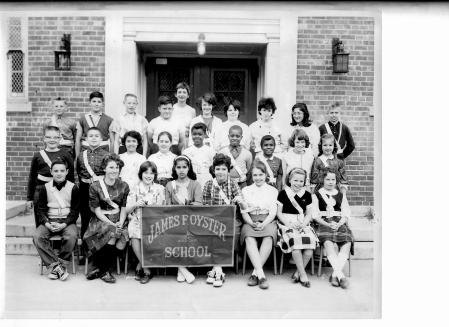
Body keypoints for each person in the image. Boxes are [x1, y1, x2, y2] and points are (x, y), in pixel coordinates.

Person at [83, 154, 130, 284]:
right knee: (112, 232)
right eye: (111, 167)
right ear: (104, 168)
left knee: (121, 234)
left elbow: (123, 208)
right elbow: (97, 211)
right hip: (101, 219)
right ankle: (105, 271)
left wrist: (120, 221)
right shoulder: (95, 186)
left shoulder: (124, 186)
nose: (114, 170)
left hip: (119, 217)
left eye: (117, 167)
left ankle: (99, 268)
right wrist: (111, 223)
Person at [33, 158, 80, 281]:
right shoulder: (45, 188)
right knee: (38, 237)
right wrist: (47, 224)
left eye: (62, 170)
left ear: (67, 172)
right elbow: (41, 210)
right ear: (51, 172)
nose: (59, 173)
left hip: (66, 221)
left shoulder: (73, 188)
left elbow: (75, 211)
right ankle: (57, 266)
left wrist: (64, 224)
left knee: (71, 236)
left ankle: (60, 265)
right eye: (56, 171)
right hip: (50, 220)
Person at [202, 153, 244, 287]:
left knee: (228, 232)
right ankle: (219, 270)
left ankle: (215, 269)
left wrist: (240, 201)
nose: (220, 172)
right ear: (213, 170)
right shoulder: (209, 184)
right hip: (213, 219)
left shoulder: (233, 184)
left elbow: (243, 205)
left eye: (223, 169)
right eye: (218, 169)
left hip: (231, 219)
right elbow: (206, 206)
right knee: (213, 231)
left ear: (228, 170)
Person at [312, 167, 354, 289]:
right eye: (328, 179)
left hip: (339, 222)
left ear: (336, 181)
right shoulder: (317, 195)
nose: (330, 182)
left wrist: (339, 223)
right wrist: (328, 224)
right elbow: (315, 215)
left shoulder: (341, 195)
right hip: (323, 223)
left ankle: (335, 274)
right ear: (323, 180)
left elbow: (346, 213)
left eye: (333, 179)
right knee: (328, 241)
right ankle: (341, 276)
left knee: (347, 240)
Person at [276, 168, 318, 288]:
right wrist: (289, 223)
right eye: (295, 180)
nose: (298, 183)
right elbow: (279, 213)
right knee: (296, 245)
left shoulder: (307, 195)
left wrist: (304, 224)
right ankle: (303, 275)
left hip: (302, 223)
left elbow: (309, 214)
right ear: (290, 180)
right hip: (287, 224)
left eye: (301, 181)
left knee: (310, 246)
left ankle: (297, 272)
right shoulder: (283, 193)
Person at [240, 161, 278, 290]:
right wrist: (251, 223)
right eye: (255, 175)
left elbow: (273, 212)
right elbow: (244, 211)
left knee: (268, 237)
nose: (258, 178)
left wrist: (264, 224)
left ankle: (255, 274)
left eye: (261, 174)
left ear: (266, 174)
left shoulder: (273, 190)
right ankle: (262, 276)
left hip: (267, 220)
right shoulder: (245, 190)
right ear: (251, 175)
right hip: (250, 219)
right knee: (249, 238)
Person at [165, 155, 203, 284]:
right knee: (173, 233)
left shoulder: (195, 184)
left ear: (189, 168)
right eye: (178, 167)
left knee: (187, 234)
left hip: (192, 220)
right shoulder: (170, 185)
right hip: (174, 220)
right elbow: (167, 205)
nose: (181, 170)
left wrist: (187, 207)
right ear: (174, 169)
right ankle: (182, 269)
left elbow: (199, 203)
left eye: (184, 167)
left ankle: (180, 270)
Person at [27, 126, 74, 227]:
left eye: (55, 137)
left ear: (59, 139)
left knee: (61, 220)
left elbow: (70, 177)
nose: (52, 140)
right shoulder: (38, 156)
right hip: (41, 191)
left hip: (61, 191)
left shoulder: (66, 155)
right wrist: (29, 198)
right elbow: (32, 177)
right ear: (44, 138)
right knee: (41, 222)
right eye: (48, 137)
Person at [126, 161, 165, 284]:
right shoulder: (135, 188)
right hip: (137, 219)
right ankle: (146, 268)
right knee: (134, 231)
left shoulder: (160, 188)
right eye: (145, 172)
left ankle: (140, 265)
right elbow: (127, 209)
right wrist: (136, 204)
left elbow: (162, 209)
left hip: (154, 220)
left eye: (151, 173)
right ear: (141, 174)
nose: (148, 175)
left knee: (153, 231)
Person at [76, 127, 109, 238]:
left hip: (101, 189)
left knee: (100, 217)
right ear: (86, 139)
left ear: (101, 139)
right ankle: (86, 250)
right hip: (85, 188)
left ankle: (99, 248)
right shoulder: (81, 155)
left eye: (96, 136)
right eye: (91, 136)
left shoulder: (106, 155)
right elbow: (78, 171)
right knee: (85, 216)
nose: (93, 138)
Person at [75, 91, 114, 159]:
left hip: (103, 152)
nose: (96, 104)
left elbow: (112, 141)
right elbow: (77, 140)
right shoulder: (82, 119)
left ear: (102, 104)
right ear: (89, 103)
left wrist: (111, 156)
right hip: (86, 152)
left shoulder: (109, 120)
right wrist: (77, 157)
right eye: (94, 101)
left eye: (99, 102)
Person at [182, 123, 215, 189]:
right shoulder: (186, 152)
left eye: (200, 134)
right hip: (191, 181)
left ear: (205, 135)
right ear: (191, 135)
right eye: (194, 134)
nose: (197, 136)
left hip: (206, 181)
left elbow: (213, 168)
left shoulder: (211, 151)